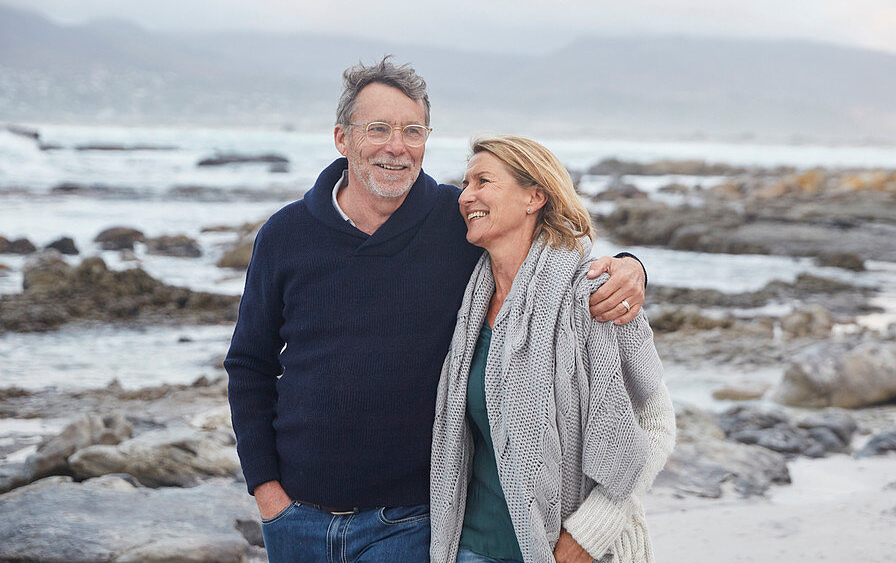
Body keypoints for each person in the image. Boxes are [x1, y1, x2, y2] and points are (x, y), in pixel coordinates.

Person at [224, 58, 649, 563]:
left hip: (409, 522)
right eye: (377, 129)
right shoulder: (286, 234)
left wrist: (630, 266)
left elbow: (545, 248)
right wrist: (267, 494)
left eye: (412, 130)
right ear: (342, 138)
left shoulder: (459, 221)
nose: (396, 146)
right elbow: (250, 363)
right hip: (295, 520)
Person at [431, 136, 675, 563]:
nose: (466, 196)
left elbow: (655, 425)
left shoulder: (595, 296)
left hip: (566, 551)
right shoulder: (467, 299)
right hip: (469, 547)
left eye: (483, 181)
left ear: (534, 196)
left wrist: (587, 535)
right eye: (465, 183)